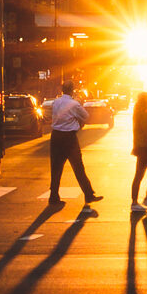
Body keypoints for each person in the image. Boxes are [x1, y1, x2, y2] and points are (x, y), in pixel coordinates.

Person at [48, 80, 102, 214]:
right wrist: (77, 121)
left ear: (62, 90)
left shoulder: (56, 102)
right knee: (78, 168)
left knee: (56, 168)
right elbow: (86, 115)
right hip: (69, 138)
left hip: (55, 137)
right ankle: (89, 194)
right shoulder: (74, 104)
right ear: (72, 90)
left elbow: (52, 116)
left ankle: (53, 197)